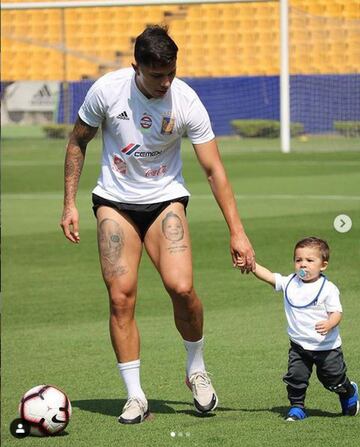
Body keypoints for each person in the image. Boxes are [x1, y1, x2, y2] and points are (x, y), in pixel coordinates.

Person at [60, 24, 255, 425]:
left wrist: (237, 230)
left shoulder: (186, 101)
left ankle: (196, 368)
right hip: (114, 201)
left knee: (182, 289)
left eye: (171, 72)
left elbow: (214, 169)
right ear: (136, 67)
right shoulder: (106, 91)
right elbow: (78, 140)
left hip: (165, 199)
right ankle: (135, 396)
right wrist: (69, 204)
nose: (166, 81)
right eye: (156, 75)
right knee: (121, 297)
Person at [237, 237, 359, 421]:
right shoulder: (289, 283)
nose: (303, 265)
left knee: (332, 381)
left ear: (323, 265)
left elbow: (337, 313)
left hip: (326, 348)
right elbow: (270, 276)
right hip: (299, 346)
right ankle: (297, 407)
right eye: (298, 260)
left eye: (310, 261)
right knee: (295, 377)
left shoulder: (328, 289)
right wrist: (252, 265)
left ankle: (348, 391)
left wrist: (329, 323)